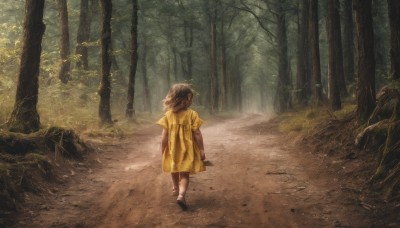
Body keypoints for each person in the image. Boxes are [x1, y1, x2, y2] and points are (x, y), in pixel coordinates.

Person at [157, 83, 206, 211]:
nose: (191, 101)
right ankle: (181, 195)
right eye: (190, 98)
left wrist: (163, 150)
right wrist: (201, 149)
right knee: (184, 175)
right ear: (184, 99)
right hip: (187, 151)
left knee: (174, 169)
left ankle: (175, 187)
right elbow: (197, 133)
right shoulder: (192, 114)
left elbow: (164, 137)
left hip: (173, 150)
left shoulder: (168, 116)